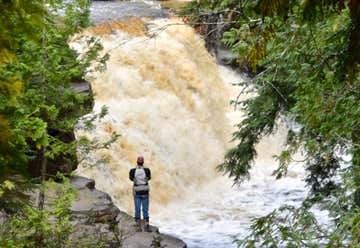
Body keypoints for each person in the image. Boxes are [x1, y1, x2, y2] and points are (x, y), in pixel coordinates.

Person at [129, 156, 151, 232]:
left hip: (137, 191)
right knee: (145, 209)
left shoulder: (132, 171)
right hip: (145, 191)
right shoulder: (147, 170)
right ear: (143, 162)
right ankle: (146, 226)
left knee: (137, 209)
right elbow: (149, 178)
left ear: (137, 162)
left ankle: (138, 227)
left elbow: (131, 178)